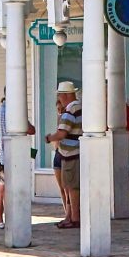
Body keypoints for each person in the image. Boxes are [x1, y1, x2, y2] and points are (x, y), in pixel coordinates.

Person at [46, 82, 82, 230]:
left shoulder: (69, 111)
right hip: (73, 152)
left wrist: (49, 138)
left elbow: (62, 133)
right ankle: (70, 216)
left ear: (66, 95)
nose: (59, 98)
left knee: (71, 187)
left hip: (70, 153)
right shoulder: (79, 108)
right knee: (69, 187)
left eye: (60, 95)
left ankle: (74, 218)